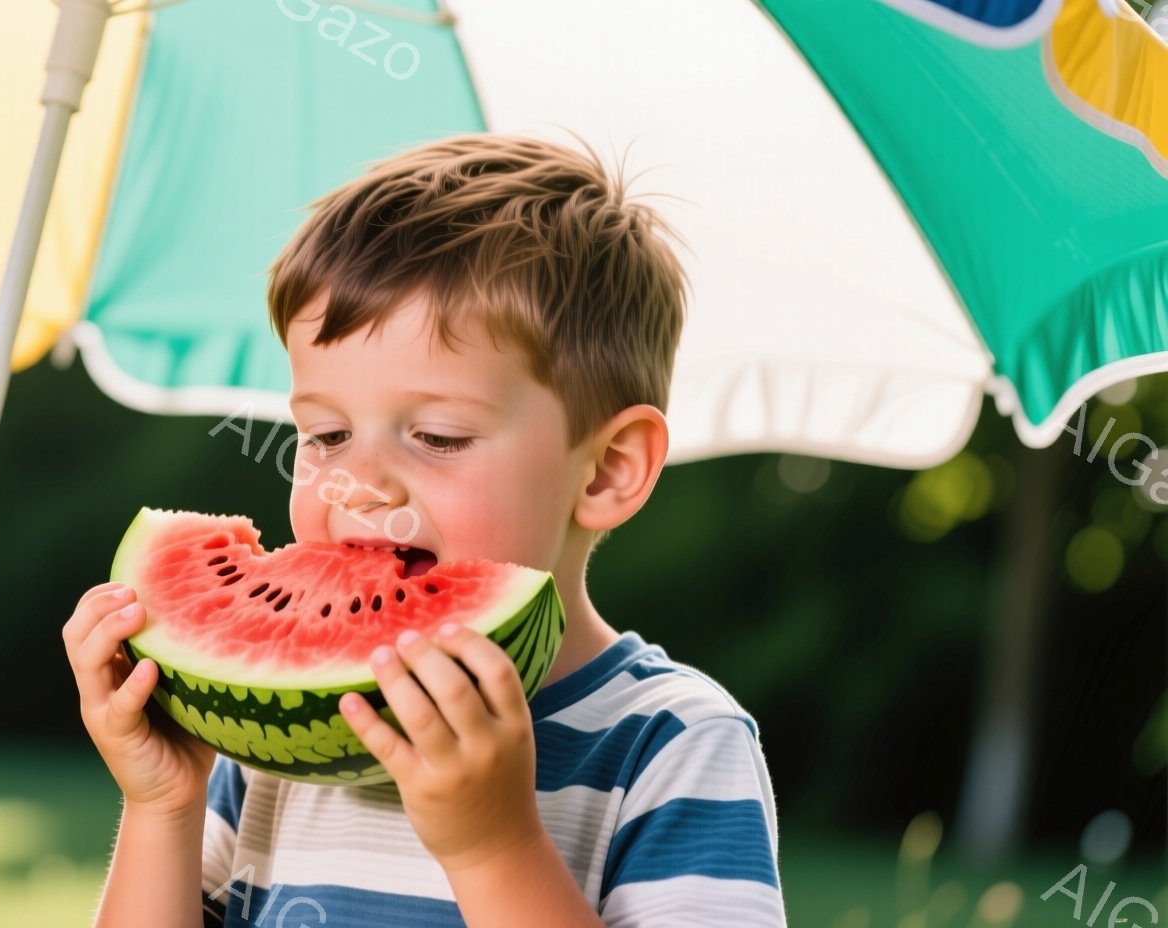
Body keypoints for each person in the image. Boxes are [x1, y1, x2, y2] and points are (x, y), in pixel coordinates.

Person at [63, 132, 785, 927]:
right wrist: (163, 805)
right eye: (327, 436)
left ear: (610, 468)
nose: (360, 485)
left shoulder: (671, 747)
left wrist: (494, 848)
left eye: (438, 436)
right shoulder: (269, 742)